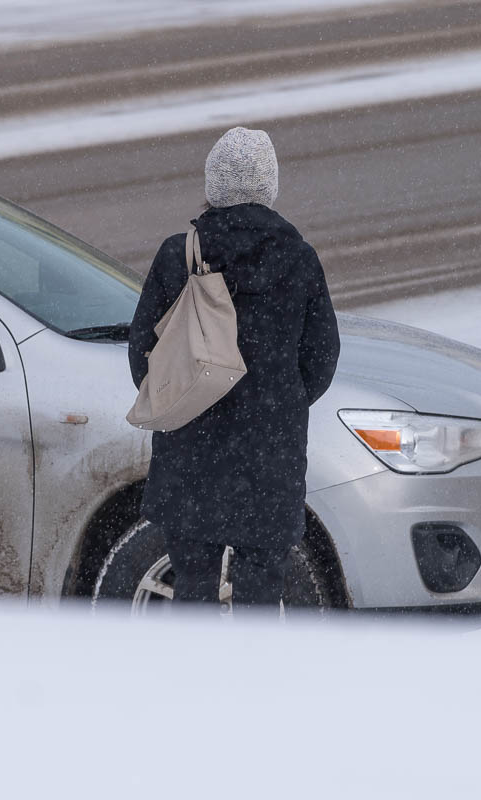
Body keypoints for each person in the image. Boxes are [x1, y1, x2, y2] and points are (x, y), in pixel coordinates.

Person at [128, 126, 341, 612]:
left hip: (190, 449)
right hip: (269, 457)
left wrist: (184, 397)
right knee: (261, 592)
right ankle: (250, 679)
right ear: (270, 186)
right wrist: (277, 402)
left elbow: (143, 350)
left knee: (192, 584)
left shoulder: (178, 255)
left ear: (213, 184)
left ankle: (194, 680)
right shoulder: (299, 259)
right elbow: (322, 357)